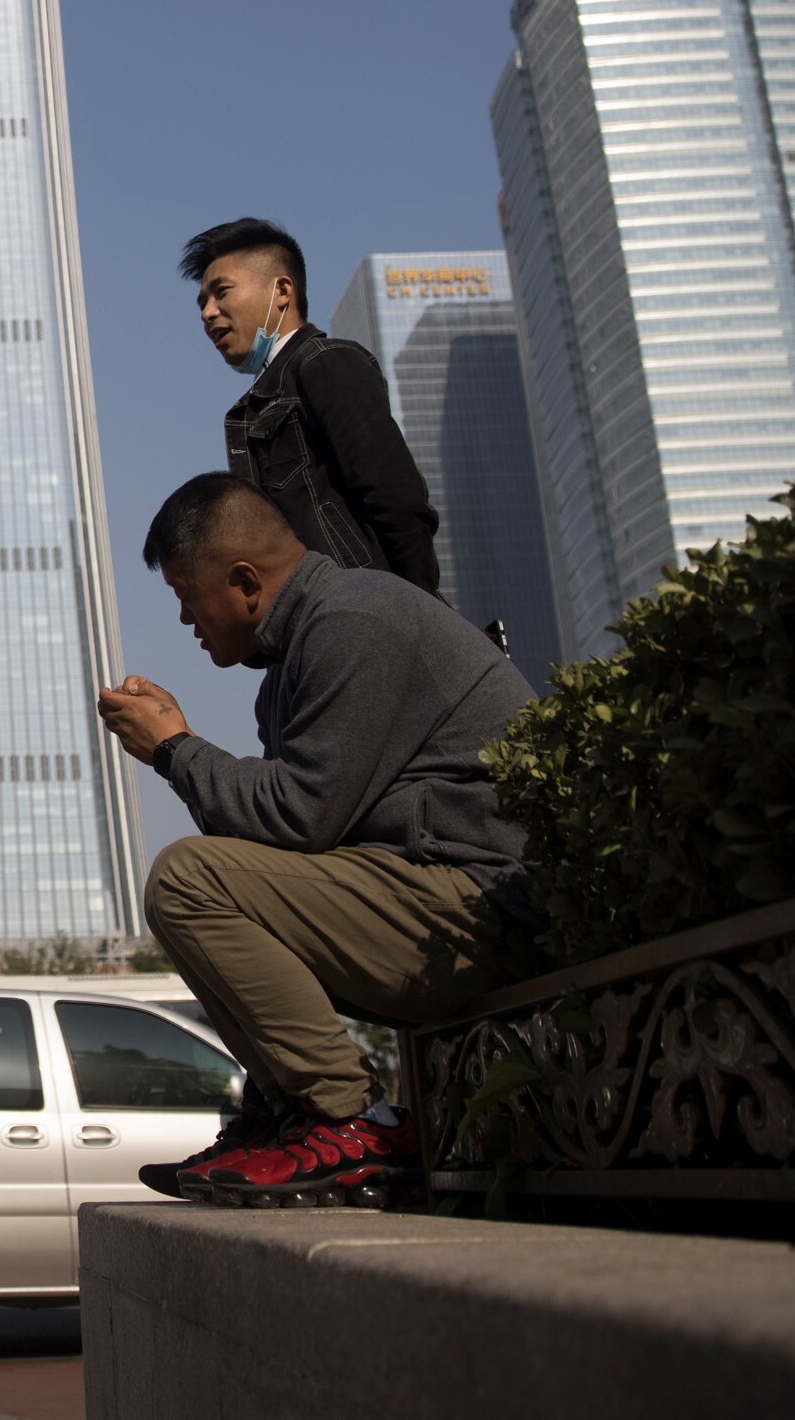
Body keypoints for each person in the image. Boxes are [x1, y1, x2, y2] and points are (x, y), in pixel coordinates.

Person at [96, 473, 541, 1206]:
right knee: (197, 884)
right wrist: (182, 747)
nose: (184, 619)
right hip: (428, 893)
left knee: (186, 880)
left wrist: (175, 749)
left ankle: (349, 1117)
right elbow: (279, 842)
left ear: (244, 581)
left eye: (186, 596)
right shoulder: (299, 653)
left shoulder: (354, 619)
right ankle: (284, 1110)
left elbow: (300, 819)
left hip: (483, 906)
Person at [182, 216, 441, 591]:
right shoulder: (252, 409)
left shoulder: (324, 363)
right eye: (202, 302)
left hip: (362, 616)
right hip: (314, 630)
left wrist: (414, 612)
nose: (207, 313)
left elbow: (396, 499)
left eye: (221, 292)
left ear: (282, 290)